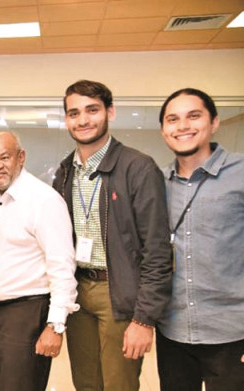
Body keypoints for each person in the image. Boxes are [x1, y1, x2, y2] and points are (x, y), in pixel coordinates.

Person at [53, 80, 173, 391]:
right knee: (86, 383)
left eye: (92, 110)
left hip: (119, 292)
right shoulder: (65, 172)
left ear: (110, 112)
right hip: (78, 291)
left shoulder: (138, 168)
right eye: (74, 112)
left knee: (119, 385)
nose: (82, 120)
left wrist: (144, 319)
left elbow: (157, 251)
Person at [156, 88, 244, 390]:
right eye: (173, 119)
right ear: (163, 130)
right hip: (173, 332)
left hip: (232, 333)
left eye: (193, 116)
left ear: (214, 122)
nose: (182, 126)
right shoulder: (158, 183)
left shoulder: (241, 172)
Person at [0, 132, 79, 390]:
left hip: (25, 314)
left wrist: (55, 326)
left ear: (21, 157)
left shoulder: (43, 200)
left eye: (4, 157)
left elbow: (62, 266)